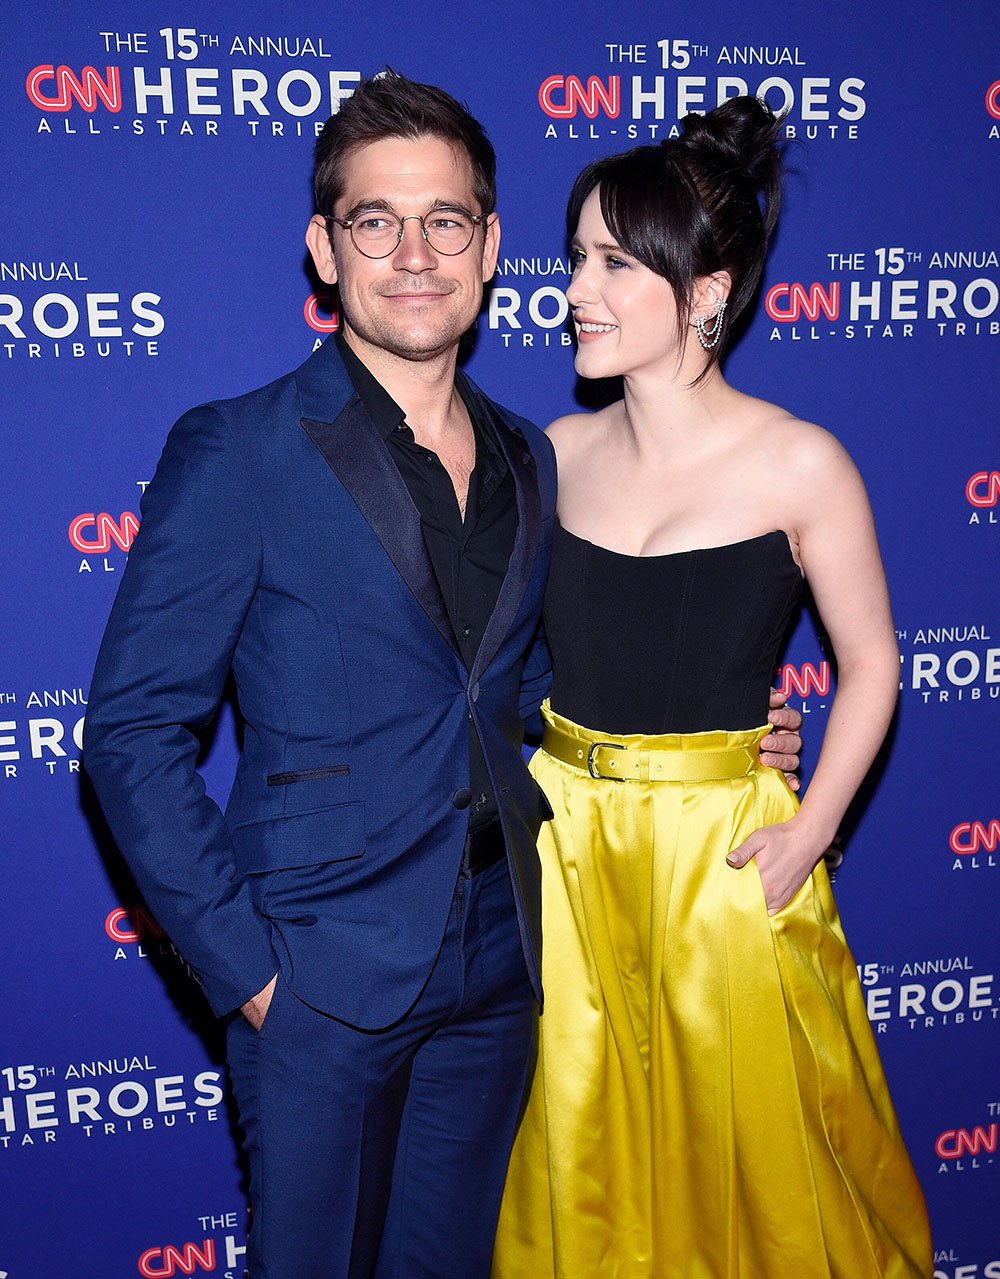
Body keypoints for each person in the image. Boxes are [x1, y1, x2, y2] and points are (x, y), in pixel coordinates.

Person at [84, 72, 803, 1278]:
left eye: (446, 220)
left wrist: (712, 731)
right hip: (319, 976)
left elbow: (527, 688)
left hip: (503, 962)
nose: (414, 254)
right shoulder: (239, 449)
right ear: (325, 249)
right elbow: (131, 733)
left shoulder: (530, 452)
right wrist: (254, 978)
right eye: (376, 221)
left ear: (490, 247)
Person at [492, 98, 932, 1278]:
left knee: (755, 1168)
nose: (575, 290)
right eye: (576, 256)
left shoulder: (800, 462)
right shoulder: (553, 454)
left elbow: (873, 662)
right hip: (565, 852)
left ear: (706, 292)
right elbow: (505, 668)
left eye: (613, 263)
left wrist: (811, 829)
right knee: (582, 1160)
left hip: (724, 860)